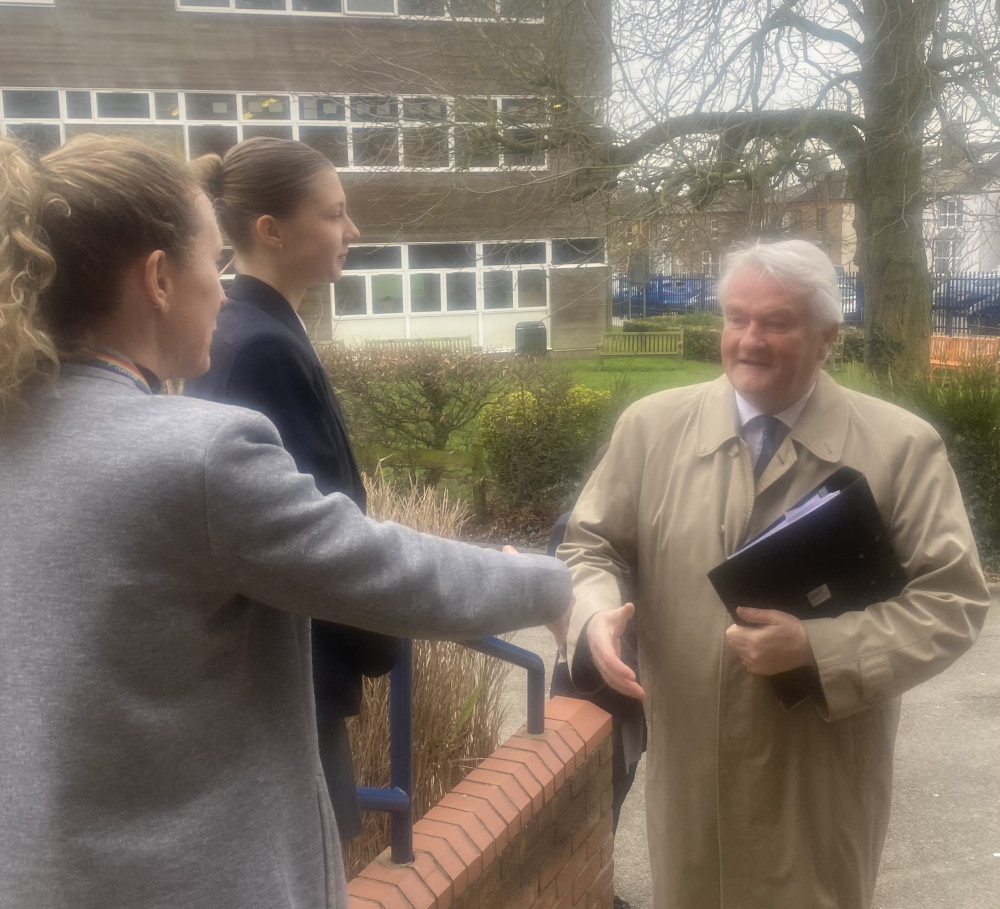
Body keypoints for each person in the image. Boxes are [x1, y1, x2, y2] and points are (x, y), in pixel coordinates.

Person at [0, 133, 571, 909]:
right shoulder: (198, 456)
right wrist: (551, 583)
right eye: (212, 261)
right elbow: (387, 572)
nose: (225, 291)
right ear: (160, 278)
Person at [559, 239, 991, 909]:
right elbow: (592, 546)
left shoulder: (901, 448)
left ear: (827, 337)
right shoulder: (651, 430)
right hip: (691, 783)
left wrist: (821, 648)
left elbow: (954, 599)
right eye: (736, 317)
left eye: (776, 322)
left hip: (817, 787)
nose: (748, 340)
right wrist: (593, 615)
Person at [186, 137, 398, 841]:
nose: (353, 231)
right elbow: (312, 532)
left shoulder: (249, 328)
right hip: (290, 678)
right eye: (334, 214)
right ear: (271, 231)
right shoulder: (261, 347)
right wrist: (382, 631)